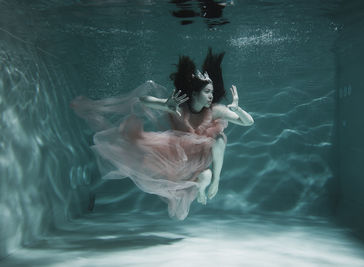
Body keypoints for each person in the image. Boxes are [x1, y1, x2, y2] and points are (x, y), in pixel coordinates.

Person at [71, 48, 253, 220]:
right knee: (137, 145)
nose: (212, 96)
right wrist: (165, 105)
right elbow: (143, 100)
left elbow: (248, 122)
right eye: (207, 92)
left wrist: (238, 109)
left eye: (212, 92)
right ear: (195, 93)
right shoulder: (179, 107)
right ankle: (200, 184)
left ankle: (211, 183)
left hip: (200, 159)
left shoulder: (215, 110)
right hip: (176, 159)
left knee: (218, 141)